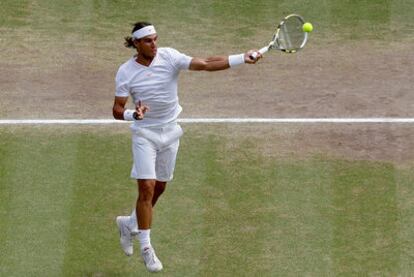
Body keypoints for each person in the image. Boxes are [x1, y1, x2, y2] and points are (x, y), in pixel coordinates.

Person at [112, 21, 261, 273]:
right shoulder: (125, 72)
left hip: (170, 131)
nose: (154, 44)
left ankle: (129, 224)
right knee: (146, 187)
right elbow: (116, 110)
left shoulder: (169, 56)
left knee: (159, 187)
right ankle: (146, 248)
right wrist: (132, 116)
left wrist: (242, 58)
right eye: (148, 41)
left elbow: (204, 64)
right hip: (144, 134)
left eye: (156, 39)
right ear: (136, 44)